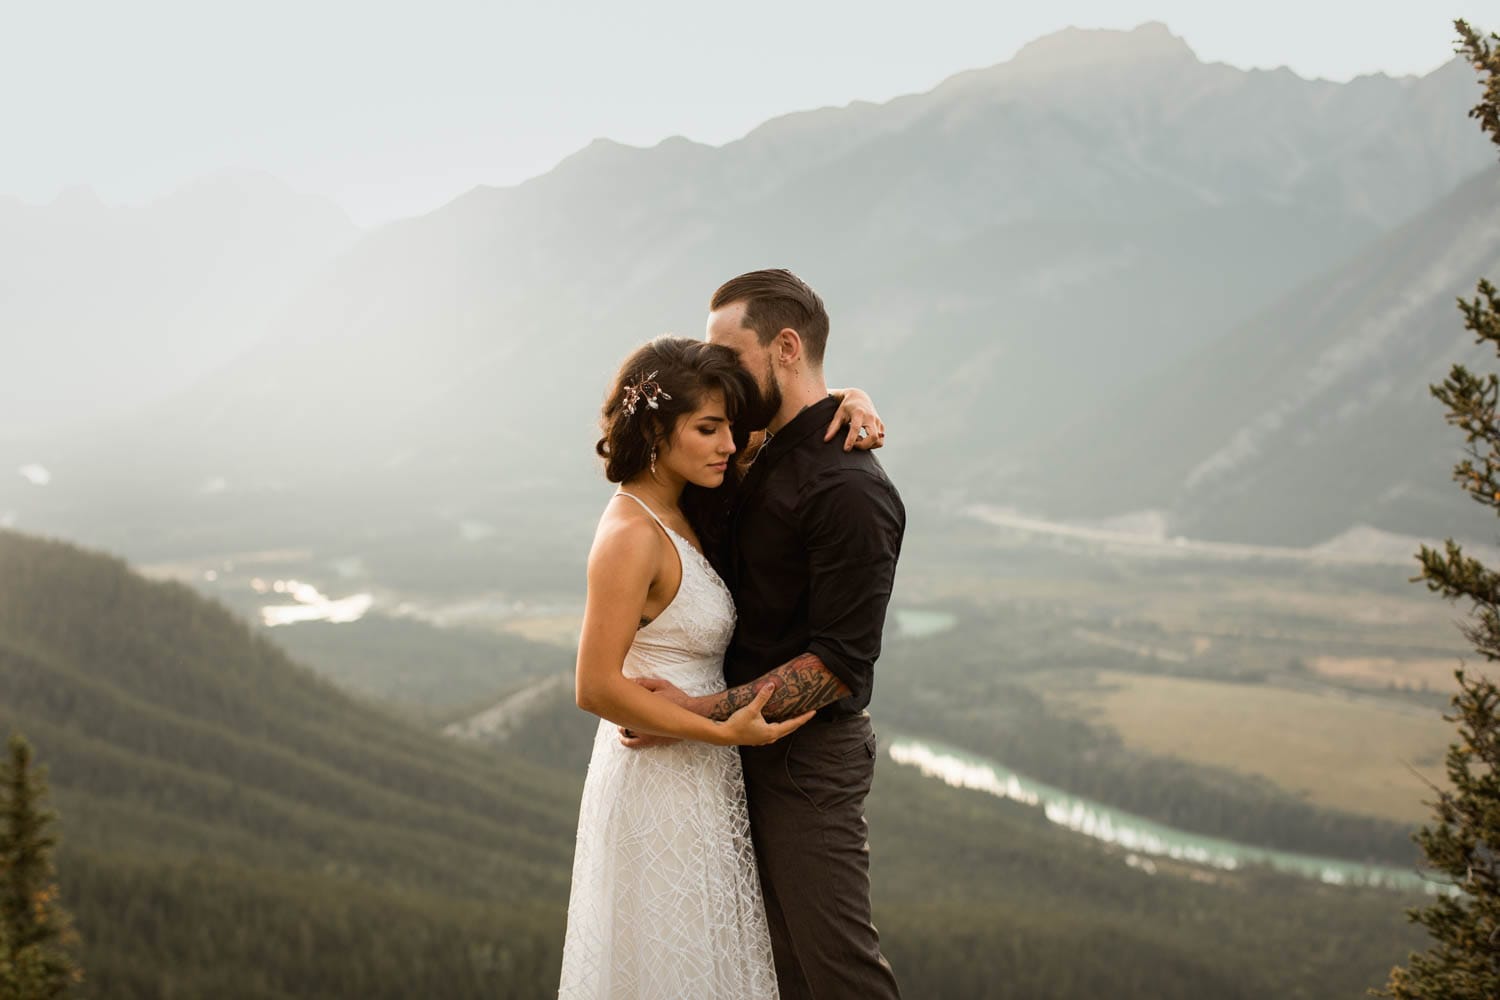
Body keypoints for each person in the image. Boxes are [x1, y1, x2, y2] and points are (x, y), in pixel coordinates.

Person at [559, 333, 884, 999]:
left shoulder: (690, 500)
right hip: (659, 780)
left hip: (705, 773)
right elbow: (594, 686)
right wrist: (720, 731)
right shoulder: (629, 534)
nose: (729, 445)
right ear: (653, 427)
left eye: (728, 428)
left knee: (718, 962)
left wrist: (852, 398)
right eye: (708, 429)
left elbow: (787, 414)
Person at [625, 269, 905, 999]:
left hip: (805, 762)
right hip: (730, 754)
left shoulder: (850, 490)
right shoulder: (746, 448)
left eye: (729, 351)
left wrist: (690, 718)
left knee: (836, 972)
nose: (715, 370)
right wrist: (849, 393)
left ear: (785, 347)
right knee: (768, 972)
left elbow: (837, 664)